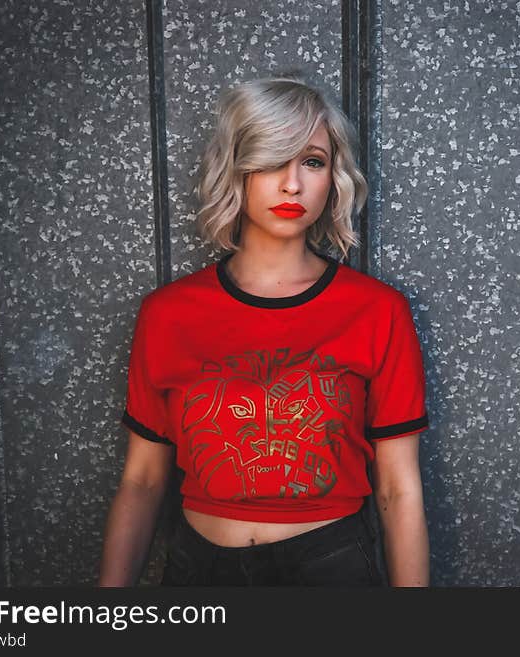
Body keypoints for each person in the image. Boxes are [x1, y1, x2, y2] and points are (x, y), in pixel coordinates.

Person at [98, 74, 430, 586]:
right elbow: (142, 483)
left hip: (330, 571)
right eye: (273, 160)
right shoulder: (168, 314)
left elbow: (397, 488)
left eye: (312, 162)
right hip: (198, 571)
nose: (292, 183)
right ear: (237, 169)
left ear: (333, 177)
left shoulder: (377, 311)